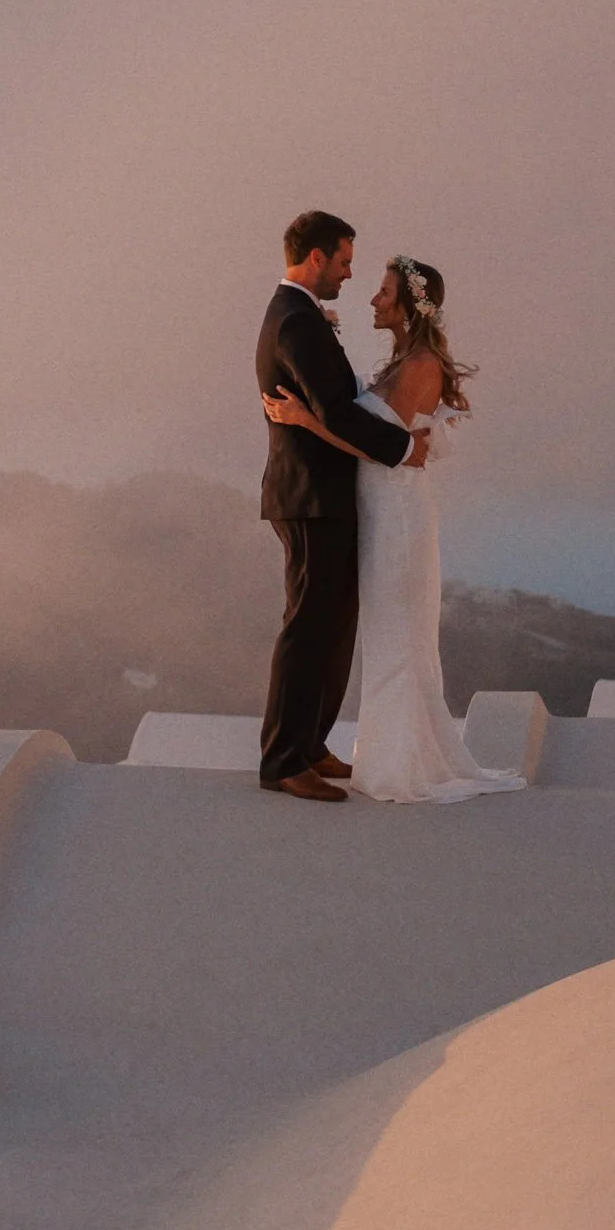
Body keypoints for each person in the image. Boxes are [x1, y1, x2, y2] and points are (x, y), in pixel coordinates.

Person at [263, 254, 526, 803]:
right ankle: (373, 751)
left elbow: (385, 450)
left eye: (384, 293)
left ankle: (401, 762)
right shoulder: (401, 360)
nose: (374, 299)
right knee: (381, 635)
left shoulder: (421, 364)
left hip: (396, 517)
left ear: (408, 305)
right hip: (377, 512)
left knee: (396, 637)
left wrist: (305, 420)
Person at [253, 211, 425, 802]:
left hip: (325, 495)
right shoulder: (295, 322)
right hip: (308, 496)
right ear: (316, 257)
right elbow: (332, 410)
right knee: (307, 626)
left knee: (333, 622)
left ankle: (310, 745)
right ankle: (281, 760)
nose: (350, 275)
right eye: (345, 261)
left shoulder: (303, 318)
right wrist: (403, 448)